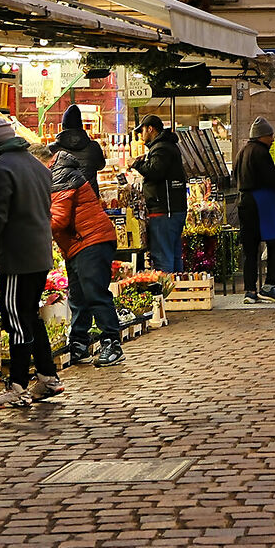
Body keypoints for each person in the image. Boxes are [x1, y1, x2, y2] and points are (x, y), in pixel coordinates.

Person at [0, 118, 62, 406]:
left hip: (16, 257)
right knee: (29, 315)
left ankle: (18, 384)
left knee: (15, 317)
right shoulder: (35, 165)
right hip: (39, 253)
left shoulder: (0, 169)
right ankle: (48, 376)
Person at [49, 105, 123, 368]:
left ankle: (111, 343)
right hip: (80, 239)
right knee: (78, 295)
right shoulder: (91, 149)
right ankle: (79, 343)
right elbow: (100, 164)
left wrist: (29, 228)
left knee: (94, 293)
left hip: (89, 237)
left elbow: (58, 219)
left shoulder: (60, 173)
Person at [234, 119, 275, 304]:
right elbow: (272, 179)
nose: (273, 139)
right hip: (261, 203)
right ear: (261, 136)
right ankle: (269, 286)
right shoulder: (260, 152)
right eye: (270, 135)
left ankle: (250, 291)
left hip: (244, 202)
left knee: (250, 249)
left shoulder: (242, 152)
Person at [132, 117, 188, 274]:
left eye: (142, 130)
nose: (140, 135)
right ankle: (177, 292)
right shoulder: (166, 146)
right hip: (173, 209)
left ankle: (167, 295)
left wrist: (137, 164)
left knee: (163, 258)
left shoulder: (161, 148)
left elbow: (155, 172)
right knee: (174, 255)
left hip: (165, 210)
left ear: (150, 129)